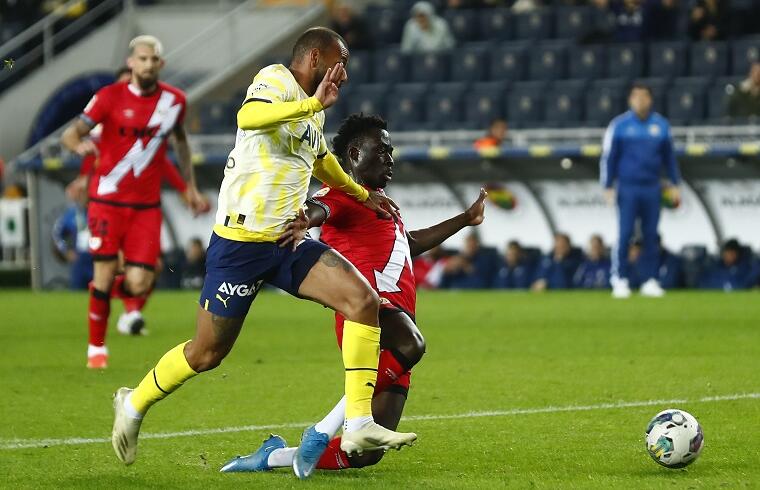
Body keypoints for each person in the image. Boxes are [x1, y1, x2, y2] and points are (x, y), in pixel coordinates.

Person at [108, 28, 417, 473]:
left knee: (362, 301)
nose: (344, 74)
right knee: (207, 353)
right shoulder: (275, 79)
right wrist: (313, 105)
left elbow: (321, 161)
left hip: (286, 241)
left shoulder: (314, 112)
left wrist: (361, 193)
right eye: (339, 62)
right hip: (240, 244)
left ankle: (358, 422)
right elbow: (249, 118)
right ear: (315, 57)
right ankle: (133, 404)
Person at [219, 113, 487, 477]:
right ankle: (322, 429)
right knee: (412, 345)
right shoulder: (343, 194)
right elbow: (320, 208)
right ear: (355, 152)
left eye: (391, 152)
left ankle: (274, 455)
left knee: (365, 453)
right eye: (383, 151)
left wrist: (464, 218)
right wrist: (303, 220)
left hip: (397, 318)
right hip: (370, 312)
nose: (390, 159)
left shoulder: (379, 203)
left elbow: (408, 244)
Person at [61, 36, 207, 368]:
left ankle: (102, 296)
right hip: (106, 202)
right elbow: (71, 133)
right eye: (142, 59)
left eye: (153, 59)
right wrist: (77, 147)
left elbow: (180, 144)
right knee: (105, 271)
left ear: (161, 64)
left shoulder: (175, 101)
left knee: (142, 280)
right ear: (131, 62)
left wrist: (191, 187)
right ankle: (96, 348)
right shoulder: (108, 97)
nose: (148, 64)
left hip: (145, 207)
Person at [600, 83, 680, 299]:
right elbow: (609, 157)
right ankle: (620, 278)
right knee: (625, 233)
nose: (640, 101)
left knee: (651, 235)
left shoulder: (661, 125)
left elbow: (669, 158)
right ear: (630, 100)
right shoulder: (619, 125)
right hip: (627, 187)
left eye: (644, 97)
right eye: (636, 97)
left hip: (652, 186)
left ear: (650, 100)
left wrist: (675, 183)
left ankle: (649, 279)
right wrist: (607, 185)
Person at [52, 176, 92, 290]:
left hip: (96, 257)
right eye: (81, 193)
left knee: (99, 291)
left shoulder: (98, 209)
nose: (83, 196)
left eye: (85, 192)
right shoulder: (71, 213)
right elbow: (57, 234)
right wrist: (66, 250)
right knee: (77, 291)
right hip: (79, 258)